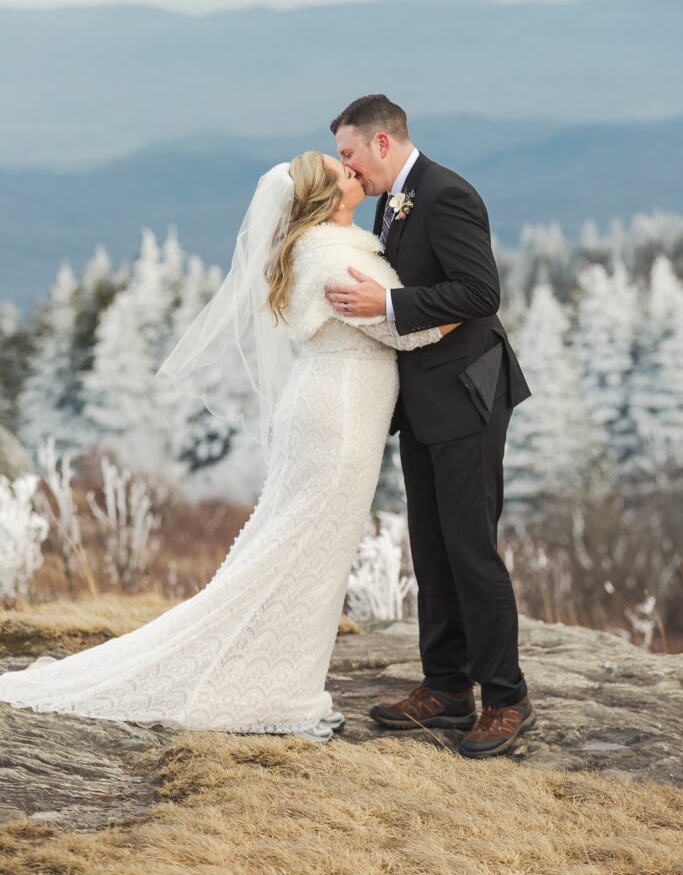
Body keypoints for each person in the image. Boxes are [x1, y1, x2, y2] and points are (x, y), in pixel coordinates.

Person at [0, 151, 456, 743]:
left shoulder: (326, 246)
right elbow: (406, 327)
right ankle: (272, 689)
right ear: (322, 198)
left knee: (303, 547)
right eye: (339, 170)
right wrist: (468, 309)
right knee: (306, 551)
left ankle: (281, 678)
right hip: (339, 412)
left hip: (331, 404)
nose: (352, 171)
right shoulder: (332, 255)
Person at [326, 95, 535, 758]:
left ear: (382, 143)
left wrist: (386, 302)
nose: (346, 167)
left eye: (349, 153)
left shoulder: (444, 194)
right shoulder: (393, 199)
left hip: (467, 395)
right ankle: (446, 688)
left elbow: (480, 293)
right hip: (420, 398)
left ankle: (506, 698)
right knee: (431, 543)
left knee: (469, 546)